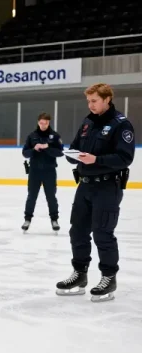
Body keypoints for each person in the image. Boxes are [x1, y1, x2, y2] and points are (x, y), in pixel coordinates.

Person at [56, 83, 135, 302]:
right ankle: (80, 274)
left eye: (94, 101)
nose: (90, 105)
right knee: (78, 231)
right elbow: (74, 147)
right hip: (85, 185)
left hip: (108, 187)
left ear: (107, 99)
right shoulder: (87, 123)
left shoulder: (121, 124)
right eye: (88, 101)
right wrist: (72, 154)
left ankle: (109, 276)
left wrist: (96, 160)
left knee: (102, 233)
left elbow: (125, 158)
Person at [21, 112, 63, 232]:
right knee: (31, 196)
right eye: (41, 123)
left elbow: (60, 152)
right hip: (34, 171)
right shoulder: (32, 136)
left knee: (51, 197)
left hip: (49, 171)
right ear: (38, 122)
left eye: (45, 123)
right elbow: (25, 153)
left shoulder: (54, 136)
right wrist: (34, 149)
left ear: (49, 122)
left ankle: (54, 220)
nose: (43, 125)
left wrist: (47, 148)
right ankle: (27, 219)